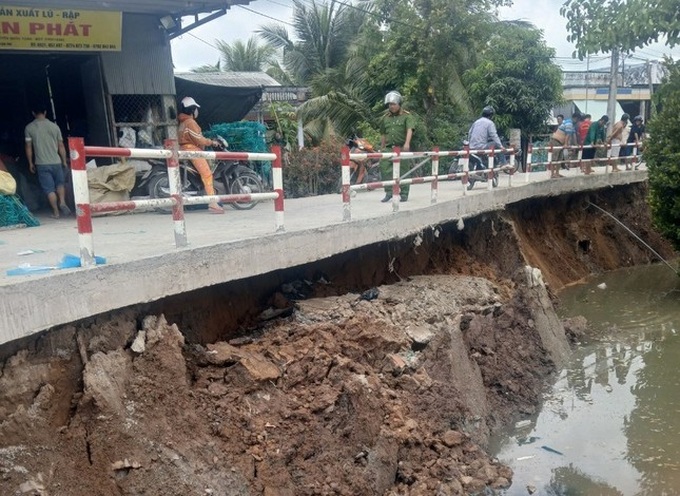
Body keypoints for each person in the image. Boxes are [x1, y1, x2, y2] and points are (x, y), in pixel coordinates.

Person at [177, 96, 223, 214]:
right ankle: (212, 203)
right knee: (207, 174)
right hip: (193, 150)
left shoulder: (182, 123)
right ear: (192, 110)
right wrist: (211, 142)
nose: (197, 111)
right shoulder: (190, 122)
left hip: (185, 149)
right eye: (195, 108)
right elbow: (199, 139)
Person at [24, 104, 71, 219]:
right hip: (56, 162)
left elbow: (28, 147)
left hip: (42, 164)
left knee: (49, 189)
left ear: (33, 113)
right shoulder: (54, 127)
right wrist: (64, 161)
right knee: (60, 184)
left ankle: (56, 212)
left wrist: (30, 163)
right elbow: (61, 145)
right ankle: (63, 202)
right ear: (45, 112)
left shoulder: (29, 128)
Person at [379, 91, 415, 202]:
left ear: (399, 104)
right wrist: (382, 147)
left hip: (401, 147)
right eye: (390, 104)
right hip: (389, 148)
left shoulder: (406, 116)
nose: (392, 106)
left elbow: (410, 130)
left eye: (394, 104)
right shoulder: (385, 118)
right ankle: (389, 192)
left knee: (403, 170)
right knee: (384, 167)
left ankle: (404, 193)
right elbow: (383, 133)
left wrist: (407, 144)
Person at [549, 112, 580, 178]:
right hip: (556, 141)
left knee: (559, 158)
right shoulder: (569, 123)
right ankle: (552, 174)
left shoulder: (571, 124)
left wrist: (576, 144)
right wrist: (566, 144)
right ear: (576, 118)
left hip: (560, 143)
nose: (578, 122)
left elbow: (573, 135)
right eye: (578, 120)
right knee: (554, 158)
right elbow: (567, 135)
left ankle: (557, 173)